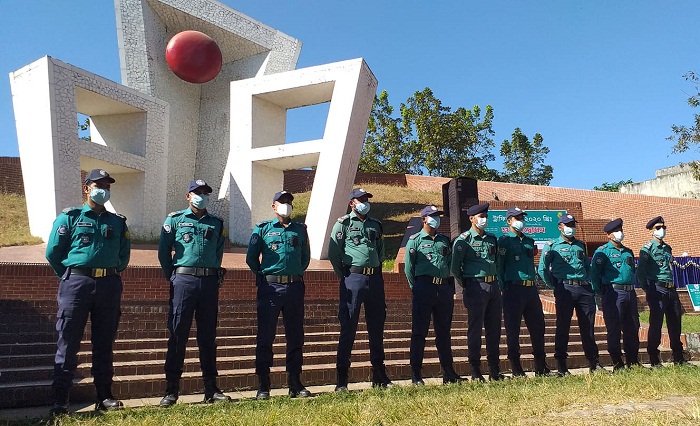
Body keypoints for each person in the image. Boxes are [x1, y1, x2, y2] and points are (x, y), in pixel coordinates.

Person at [45, 169, 130, 415]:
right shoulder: (69, 217)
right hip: (77, 284)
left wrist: (108, 273)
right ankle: (61, 400)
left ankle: (104, 396)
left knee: (104, 342)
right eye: (98, 184)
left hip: (109, 284)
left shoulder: (118, 221)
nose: (103, 189)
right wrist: (71, 277)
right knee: (69, 341)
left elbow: (123, 256)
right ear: (87, 188)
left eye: (107, 185)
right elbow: (53, 253)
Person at [157, 179, 231, 406]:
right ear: (188, 196)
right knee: (178, 334)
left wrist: (211, 273)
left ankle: (211, 389)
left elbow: (218, 253)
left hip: (208, 282)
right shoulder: (175, 220)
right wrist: (175, 276)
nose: (202, 196)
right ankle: (171, 391)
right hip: (184, 280)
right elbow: (163, 252)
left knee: (208, 337)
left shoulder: (217, 223)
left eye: (205, 193)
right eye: (197, 192)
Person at [246, 191, 311, 400]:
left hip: (294, 288)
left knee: (295, 336)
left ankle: (295, 382)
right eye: (282, 202)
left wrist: (294, 274)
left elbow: (305, 258)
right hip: (270, 289)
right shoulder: (263, 229)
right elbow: (251, 258)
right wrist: (265, 275)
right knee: (265, 336)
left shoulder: (300, 229)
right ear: (274, 207)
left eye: (289, 202)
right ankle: (264, 385)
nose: (286, 205)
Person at [328, 188, 393, 391]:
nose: (365, 202)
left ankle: (379, 375)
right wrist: (346, 275)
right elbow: (334, 254)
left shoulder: (376, 225)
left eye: (366, 199)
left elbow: (381, 253)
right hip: (353, 278)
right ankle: (342, 378)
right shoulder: (343, 224)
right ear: (352, 203)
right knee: (348, 326)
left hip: (374, 278)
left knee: (376, 327)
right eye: (361, 199)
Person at [538, 213, 602, 376]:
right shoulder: (552, 245)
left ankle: (594, 363)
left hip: (583, 289)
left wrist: (589, 284)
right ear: (560, 227)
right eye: (568, 224)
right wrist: (555, 285)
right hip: (564, 288)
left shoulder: (580, 245)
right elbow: (542, 269)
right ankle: (561, 365)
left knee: (588, 326)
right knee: (563, 327)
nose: (571, 227)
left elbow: (587, 267)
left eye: (573, 224)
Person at [404, 206, 461, 385]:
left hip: (443, 289)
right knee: (419, 332)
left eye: (437, 216)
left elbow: (450, 264)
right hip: (424, 288)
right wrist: (417, 288)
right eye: (433, 216)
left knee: (444, 333)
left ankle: (448, 372)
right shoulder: (415, 240)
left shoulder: (444, 240)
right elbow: (408, 269)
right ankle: (416, 373)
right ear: (424, 219)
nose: (436, 219)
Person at [496, 207, 552, 377]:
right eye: (517, 217)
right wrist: (502, 287)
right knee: (513, 329)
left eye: (522, 217)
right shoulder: (504, 241)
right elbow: (499, 267)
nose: (520, 220)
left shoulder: (529, 240)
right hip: (513, 288)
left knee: (538, 327)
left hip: (530, 289)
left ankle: (541, 367)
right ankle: (516, 368)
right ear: (509, 221)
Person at [451, 202, 504, 381]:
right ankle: (475, 370)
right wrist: (467, 284)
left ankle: (494, 370)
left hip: (493, 286)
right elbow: (455, 268)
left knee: (494, 329)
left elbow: (496, 262)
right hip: (475, 286)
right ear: (472, 219)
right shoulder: (463, 240)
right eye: (481, 217)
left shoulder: (491, 238)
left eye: (486, 216)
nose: (484, 219)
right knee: (475, 330)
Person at [637, 216, 691, 366]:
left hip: (670, 288)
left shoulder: (667, 248)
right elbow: (640, 272)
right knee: (656, 323)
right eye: (658, 228)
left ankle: (678, 357)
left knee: (675, 322)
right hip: (657, 288)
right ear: (652, 231)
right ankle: (654, 358)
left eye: (663, 227)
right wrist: (648, 288)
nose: (662, 230)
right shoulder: (647, 249)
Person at [590, 218, 640, 371]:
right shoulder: (602, 252)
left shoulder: (628, 251)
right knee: (614, 328)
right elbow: (594, 274)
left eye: (621, 230)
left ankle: (633, 361)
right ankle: (617, 362)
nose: (620, 233)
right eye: (616, 231)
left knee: (632, 327)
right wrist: (600, 292)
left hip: (630, 292)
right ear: (609, 235)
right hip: (613, 293)